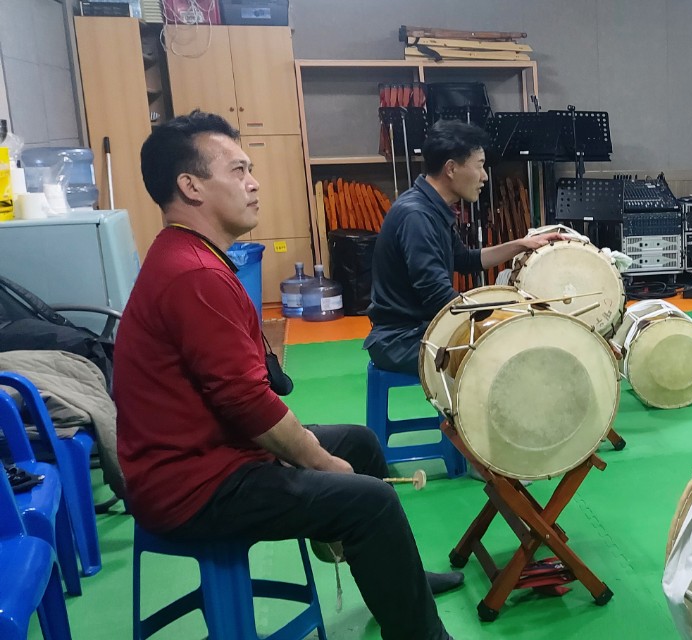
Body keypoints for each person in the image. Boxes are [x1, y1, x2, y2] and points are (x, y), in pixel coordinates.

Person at [115, 110, 461, 640]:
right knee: (370, 499)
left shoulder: (190, 257)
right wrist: (321, 464)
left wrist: (320, 459)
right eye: (238, 170)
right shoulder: (194, 275)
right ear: (190, 186)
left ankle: (399, 584)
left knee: (361, 444)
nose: (253, 183)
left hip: (216, 453)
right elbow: (248, 404)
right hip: (193, 486)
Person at [365, 120, 565, 376]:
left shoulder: (429, 206)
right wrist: (503, 314)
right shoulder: (417, 216)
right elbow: (438, 296)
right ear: (451, 168)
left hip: (418, 331)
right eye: (479, 166)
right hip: (401, 340)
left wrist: (522, 245)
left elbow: (465, 259)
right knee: (510, 349)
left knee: (515, 339)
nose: (484, 176)